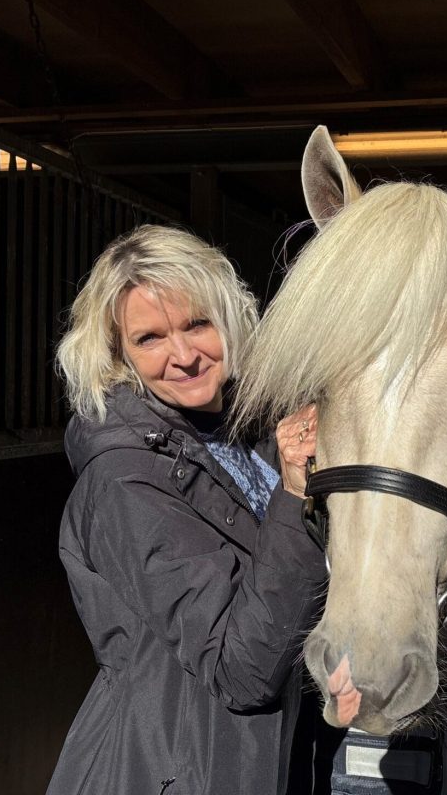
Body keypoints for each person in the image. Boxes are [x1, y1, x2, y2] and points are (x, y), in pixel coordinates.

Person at [48, 224, 327, 795]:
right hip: (178, 768)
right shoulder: (124, 481)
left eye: (198, 324)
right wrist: (295, 493)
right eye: (149, 338)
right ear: (118, 354)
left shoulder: (244, 428)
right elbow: (242, 669)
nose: (184, 356)